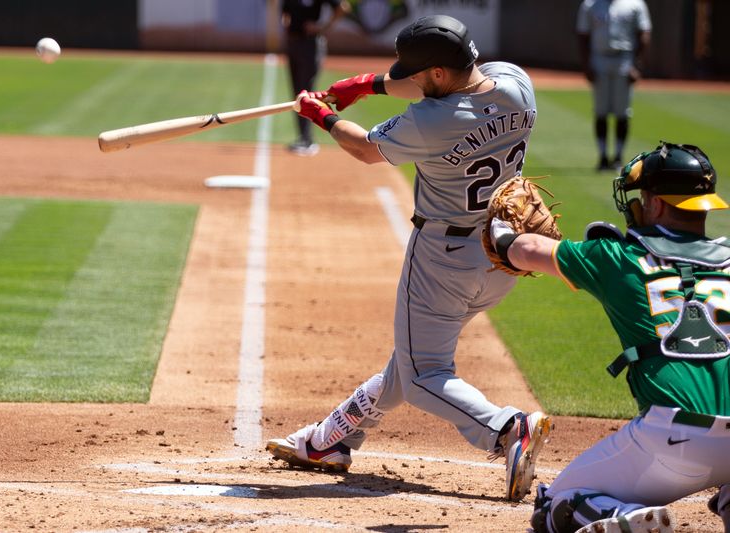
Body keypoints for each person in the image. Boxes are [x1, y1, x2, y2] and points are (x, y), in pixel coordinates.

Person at [266, 14, 552, 502]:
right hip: (503, 254)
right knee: (413, 358)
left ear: (438, 74)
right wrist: (368, 84)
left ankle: (507, 429)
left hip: (442, 260)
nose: (410, 81)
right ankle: (327, 441)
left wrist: (323, 115)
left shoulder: (431, 121)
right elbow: (437, 85)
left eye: (416, 74)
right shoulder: (515, 84)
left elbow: (363, 148)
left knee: (424, 375)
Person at [485, 141, 730, 532]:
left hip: (670, 441)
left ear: (658, 204)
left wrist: (498, 230)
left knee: (554, 506)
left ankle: (624, 520)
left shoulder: (616, 257)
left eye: (643, 195)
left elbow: (525, 248)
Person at [577, 0, 652, 171]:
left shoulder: (635, 4)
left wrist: (637, 65)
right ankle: (603, 157)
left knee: (622, 112)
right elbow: (583, 35)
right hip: (599, 58)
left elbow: (644, 33)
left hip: (624, 59)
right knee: (600, 111)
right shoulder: (590, 4)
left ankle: (618, 157)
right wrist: (586, 65)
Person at [281, 0, 350, 156]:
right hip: (293, 42)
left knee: (306, 90)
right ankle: (302, 137)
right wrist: (286, 25)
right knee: (296, 91)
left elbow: (342, 7)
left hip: (310, 44)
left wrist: (323, 27)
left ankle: (308, 139)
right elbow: (285, 12)